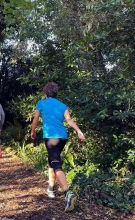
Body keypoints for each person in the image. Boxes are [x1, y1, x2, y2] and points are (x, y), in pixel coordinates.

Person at [31, 82, 85, 212]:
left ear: (45, 93)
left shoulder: (41, 103)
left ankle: (67, 192)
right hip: (63, 138)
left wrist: (32, 131)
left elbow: (35, 119)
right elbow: (69, 120)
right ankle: (50, 188)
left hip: (51, 138)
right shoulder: (62, 105)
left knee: (56, 163)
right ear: (56, 93)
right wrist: (79, 131)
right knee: (52, 160)